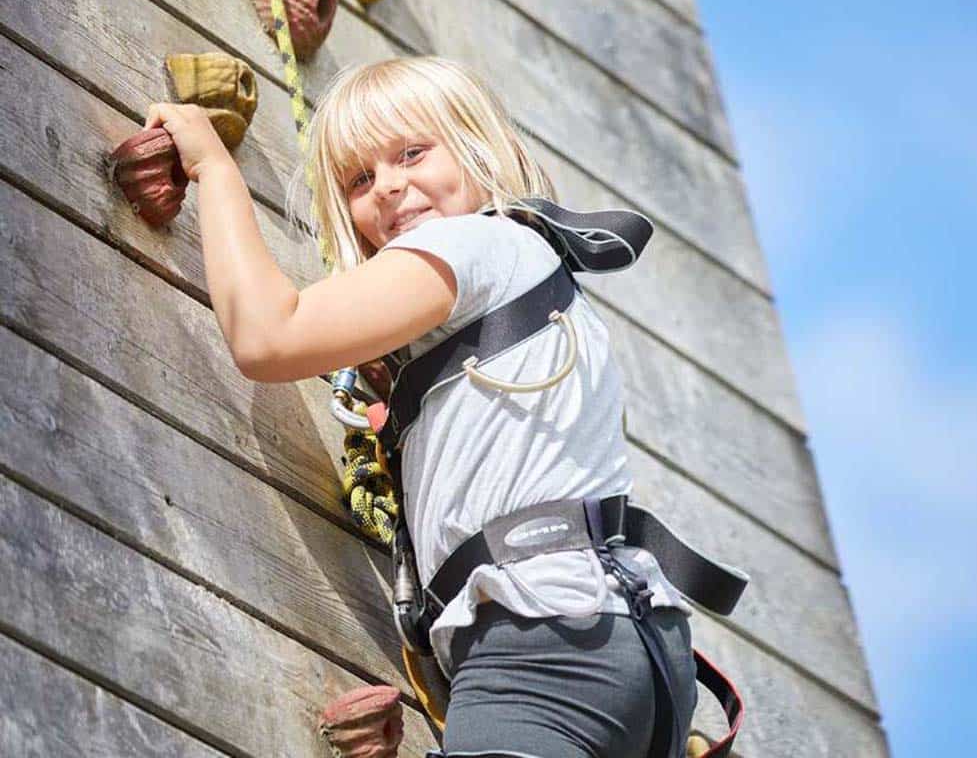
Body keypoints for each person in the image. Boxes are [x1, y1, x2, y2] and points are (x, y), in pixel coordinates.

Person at [143, 55, 698, 758]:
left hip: (539, 647)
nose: (391, 188)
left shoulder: (472, 244)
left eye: (411, 152)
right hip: (638, 658)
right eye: (359, 179)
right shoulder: (533, 281)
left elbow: (267, 336)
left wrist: (214, 170)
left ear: (476, 144)